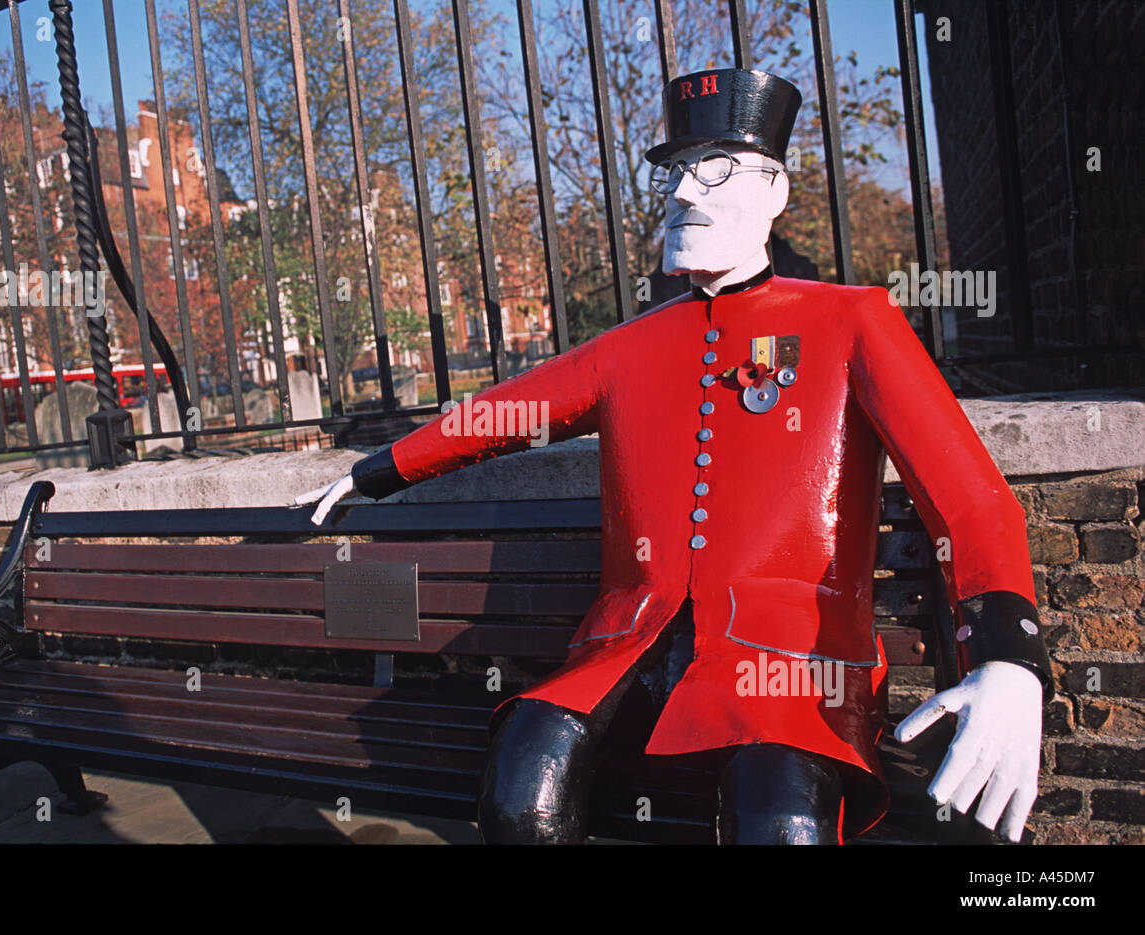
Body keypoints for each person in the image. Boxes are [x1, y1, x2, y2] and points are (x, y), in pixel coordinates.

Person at [298, 68, 1052, 844]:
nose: (686, 191)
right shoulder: (630, 348)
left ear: (775, 191)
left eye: (716, 167)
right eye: (677, 171)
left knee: (780, 817)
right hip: (630, 644)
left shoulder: (852, 320)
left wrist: (1009, 658)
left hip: (792, 661)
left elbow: (968, 495)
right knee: (521, 788)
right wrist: (376, 469)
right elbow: (504, 413)